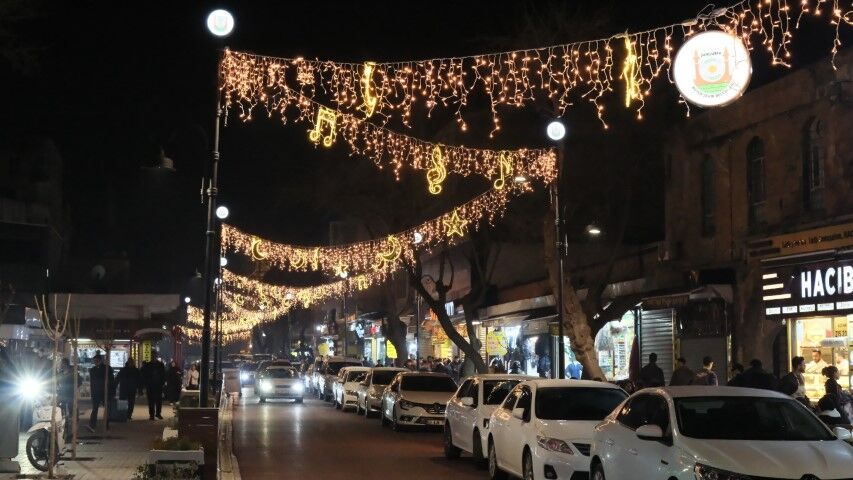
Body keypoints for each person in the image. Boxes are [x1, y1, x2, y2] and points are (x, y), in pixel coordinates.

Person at [87, 353, 115, 431]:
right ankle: (92, 424)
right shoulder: (93, 370)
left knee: (106, 409)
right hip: (96, 392)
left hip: (105, 391)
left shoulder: (107, 369)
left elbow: (111, 380)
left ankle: (105, 424)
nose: (94, 362)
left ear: (99, 360)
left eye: (95, 360)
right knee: (95, 408)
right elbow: (92, 382)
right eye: (94, 361)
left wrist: (112, 391)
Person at [140, 352, 166, 420]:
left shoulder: (160, 364)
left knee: (158, 400)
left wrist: (162, 383)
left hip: (158, 385)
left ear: (156, 356)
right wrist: (146, 384)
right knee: (151, 401)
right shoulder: (148, 365)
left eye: (155, 356)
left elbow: (163, 375)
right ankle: (152, 415)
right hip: (150, 385)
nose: (154, 357)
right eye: (153, 356)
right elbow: (144, 375)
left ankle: (158, 413)